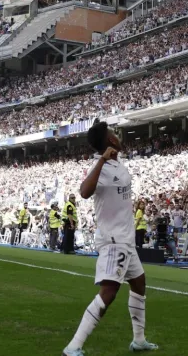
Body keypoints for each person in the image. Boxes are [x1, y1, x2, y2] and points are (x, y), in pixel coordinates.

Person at [63, 121, 157, 356]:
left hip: (126, 240)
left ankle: (139, 340)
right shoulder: (101, 167)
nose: (118, 136)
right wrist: (102, 159)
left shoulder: (117, 162)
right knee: (109, 293)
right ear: (110, 141)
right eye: (114, 134)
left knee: (139, 282)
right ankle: (73, 346)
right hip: (114, 240)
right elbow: (84, 192)